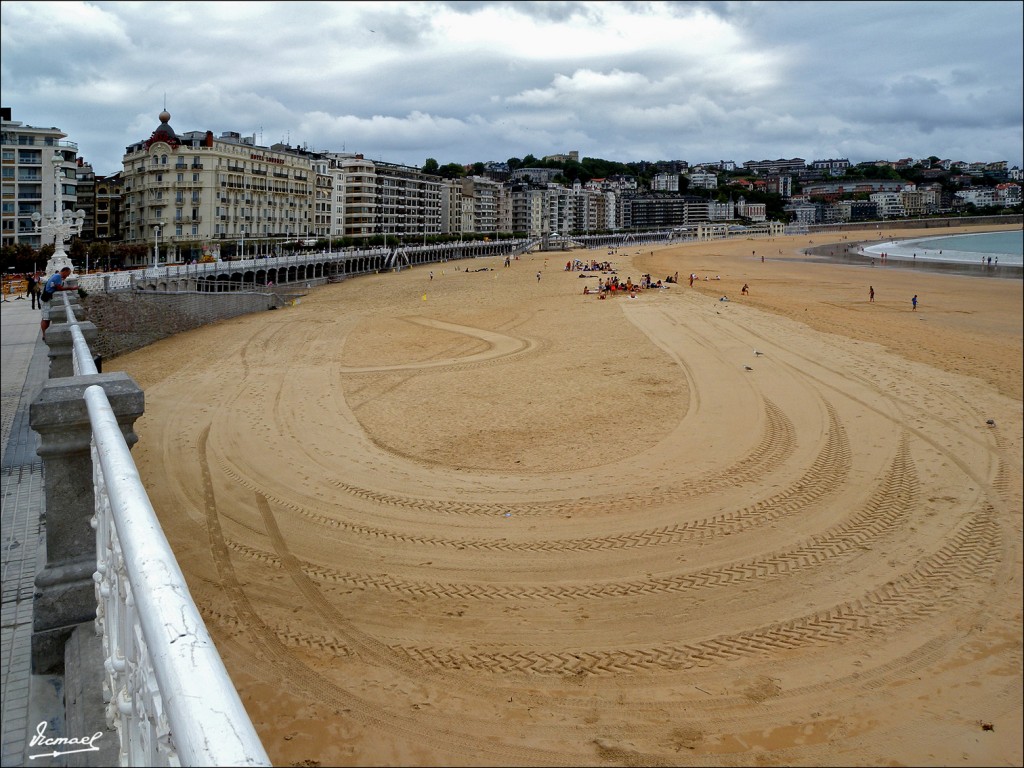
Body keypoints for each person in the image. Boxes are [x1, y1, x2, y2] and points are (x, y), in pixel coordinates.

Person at [40, 267, 75, 340]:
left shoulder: (56, 275)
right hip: (46, 299)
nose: (67, 276)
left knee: (47, 318)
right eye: (67, 274)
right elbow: (59, 288)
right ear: (64, 271)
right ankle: (44, 335)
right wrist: (71, 288)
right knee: (46, 318)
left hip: (46, 298)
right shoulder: (58, 276)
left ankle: (45, 334)